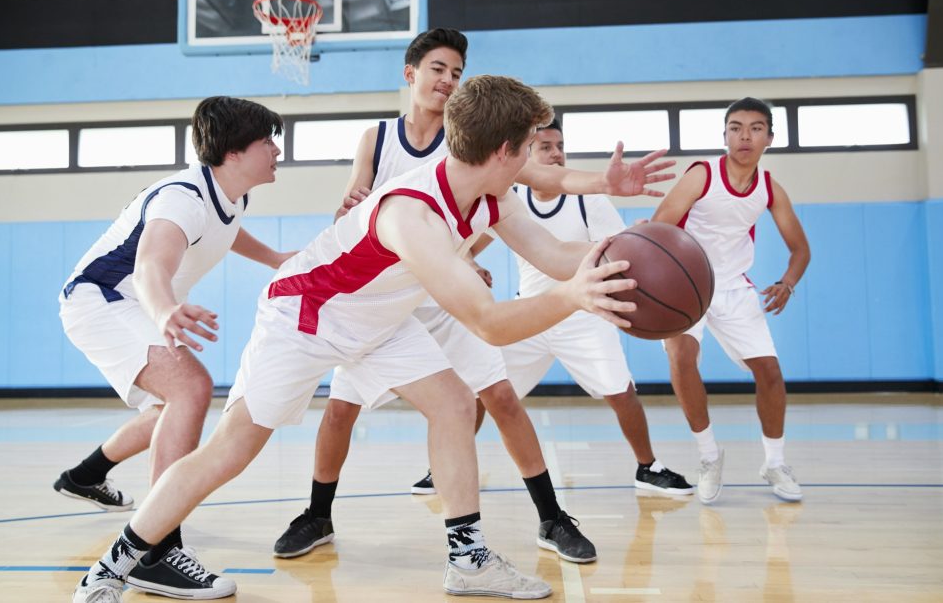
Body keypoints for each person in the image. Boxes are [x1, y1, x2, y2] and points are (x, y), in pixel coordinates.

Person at [72, 74, 673, 603]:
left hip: (379, 320)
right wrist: (573, 297)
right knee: (231, 451)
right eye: (529, 151)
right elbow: (489, 321)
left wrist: (620, 255)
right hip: (306, 318)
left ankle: (468, 561)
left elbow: (555, 252)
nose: (537, 165)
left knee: (454, 403)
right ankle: (110, 570)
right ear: (503, 151)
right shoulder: (413, 214)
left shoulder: (492, 192)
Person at [273, 28, 675, 565]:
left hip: (446, 297)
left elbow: (534, 179)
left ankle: (550, 518)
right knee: (341, 409)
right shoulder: (378, 138)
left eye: (457, 72)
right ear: (411, 72)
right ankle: (318, 514)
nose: (448, 79)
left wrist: (604, 185)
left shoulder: (474, 139)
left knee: (499, 399)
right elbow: (364, 208)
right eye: (439, 68)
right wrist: (351, 207)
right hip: (380, 300)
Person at [59, 96, 294, 599]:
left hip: (134, 304)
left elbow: (225, 232)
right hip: (102, 301)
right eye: (266, 141)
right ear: (233, 153)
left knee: (172, 405)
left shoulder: (230, 195)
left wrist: (273, 257)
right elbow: (149, 265)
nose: (277, 149)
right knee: (190, 388)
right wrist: (165, 310)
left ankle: (87, 475)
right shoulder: (181, 197)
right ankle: (156, 550)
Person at [497, 119, 693, 496]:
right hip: (532, 313)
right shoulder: (511, 198)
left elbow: (619, 246)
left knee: (622, 393)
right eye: (545, 147)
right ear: (526, 156)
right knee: (483, 388)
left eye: (559, 145)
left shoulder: (588, 199)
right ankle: (439, 469)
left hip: (583, 314)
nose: (555, 153)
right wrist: (470, 261)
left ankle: (647, 467)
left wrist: (642, 238)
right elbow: (480, 238)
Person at [651, 97, 811, 504]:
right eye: (736, 127)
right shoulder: (702, 175)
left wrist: (787, 284)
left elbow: (800, 250)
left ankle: (774, 462)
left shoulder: (769, 188)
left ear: (769, 138)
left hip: (734, 286)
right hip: (687, 283)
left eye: (755, 128)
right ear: (724, 135)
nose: (745, 136)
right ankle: (709, 457)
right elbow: (659, 226)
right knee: (681, 359)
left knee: (771, 374)